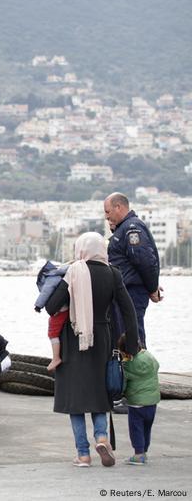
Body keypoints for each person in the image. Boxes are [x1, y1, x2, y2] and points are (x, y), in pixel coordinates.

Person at [45, 232, 139, 467]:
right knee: (99, 392)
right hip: (102, 338)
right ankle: (101, 437)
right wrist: (131, 344)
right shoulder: (112, 273)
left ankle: (83, 454)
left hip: (73, 337)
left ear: (81, 249)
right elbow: (128, 310)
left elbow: (51, 306)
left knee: (74, 398)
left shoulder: (73, 272)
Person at [104, 192, 161, 345]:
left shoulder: (131, 228)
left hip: (132, 292)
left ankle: (139, 368)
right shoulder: (123, 229)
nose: (106, 216)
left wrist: (152, 288)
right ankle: (128, 367)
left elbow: (144, 261)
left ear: (118, 207)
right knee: (125, 335)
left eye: (107, 211)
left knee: (133, 335)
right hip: (126, 290)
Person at [118, 335, 159, 466]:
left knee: (136, 429)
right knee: (147, 428)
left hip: (136, 404)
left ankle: (138, 454)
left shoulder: (128, 365)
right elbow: (157, 365)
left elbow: (123, 384)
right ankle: (144, 451)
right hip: (152, 402)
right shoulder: (149, 356)